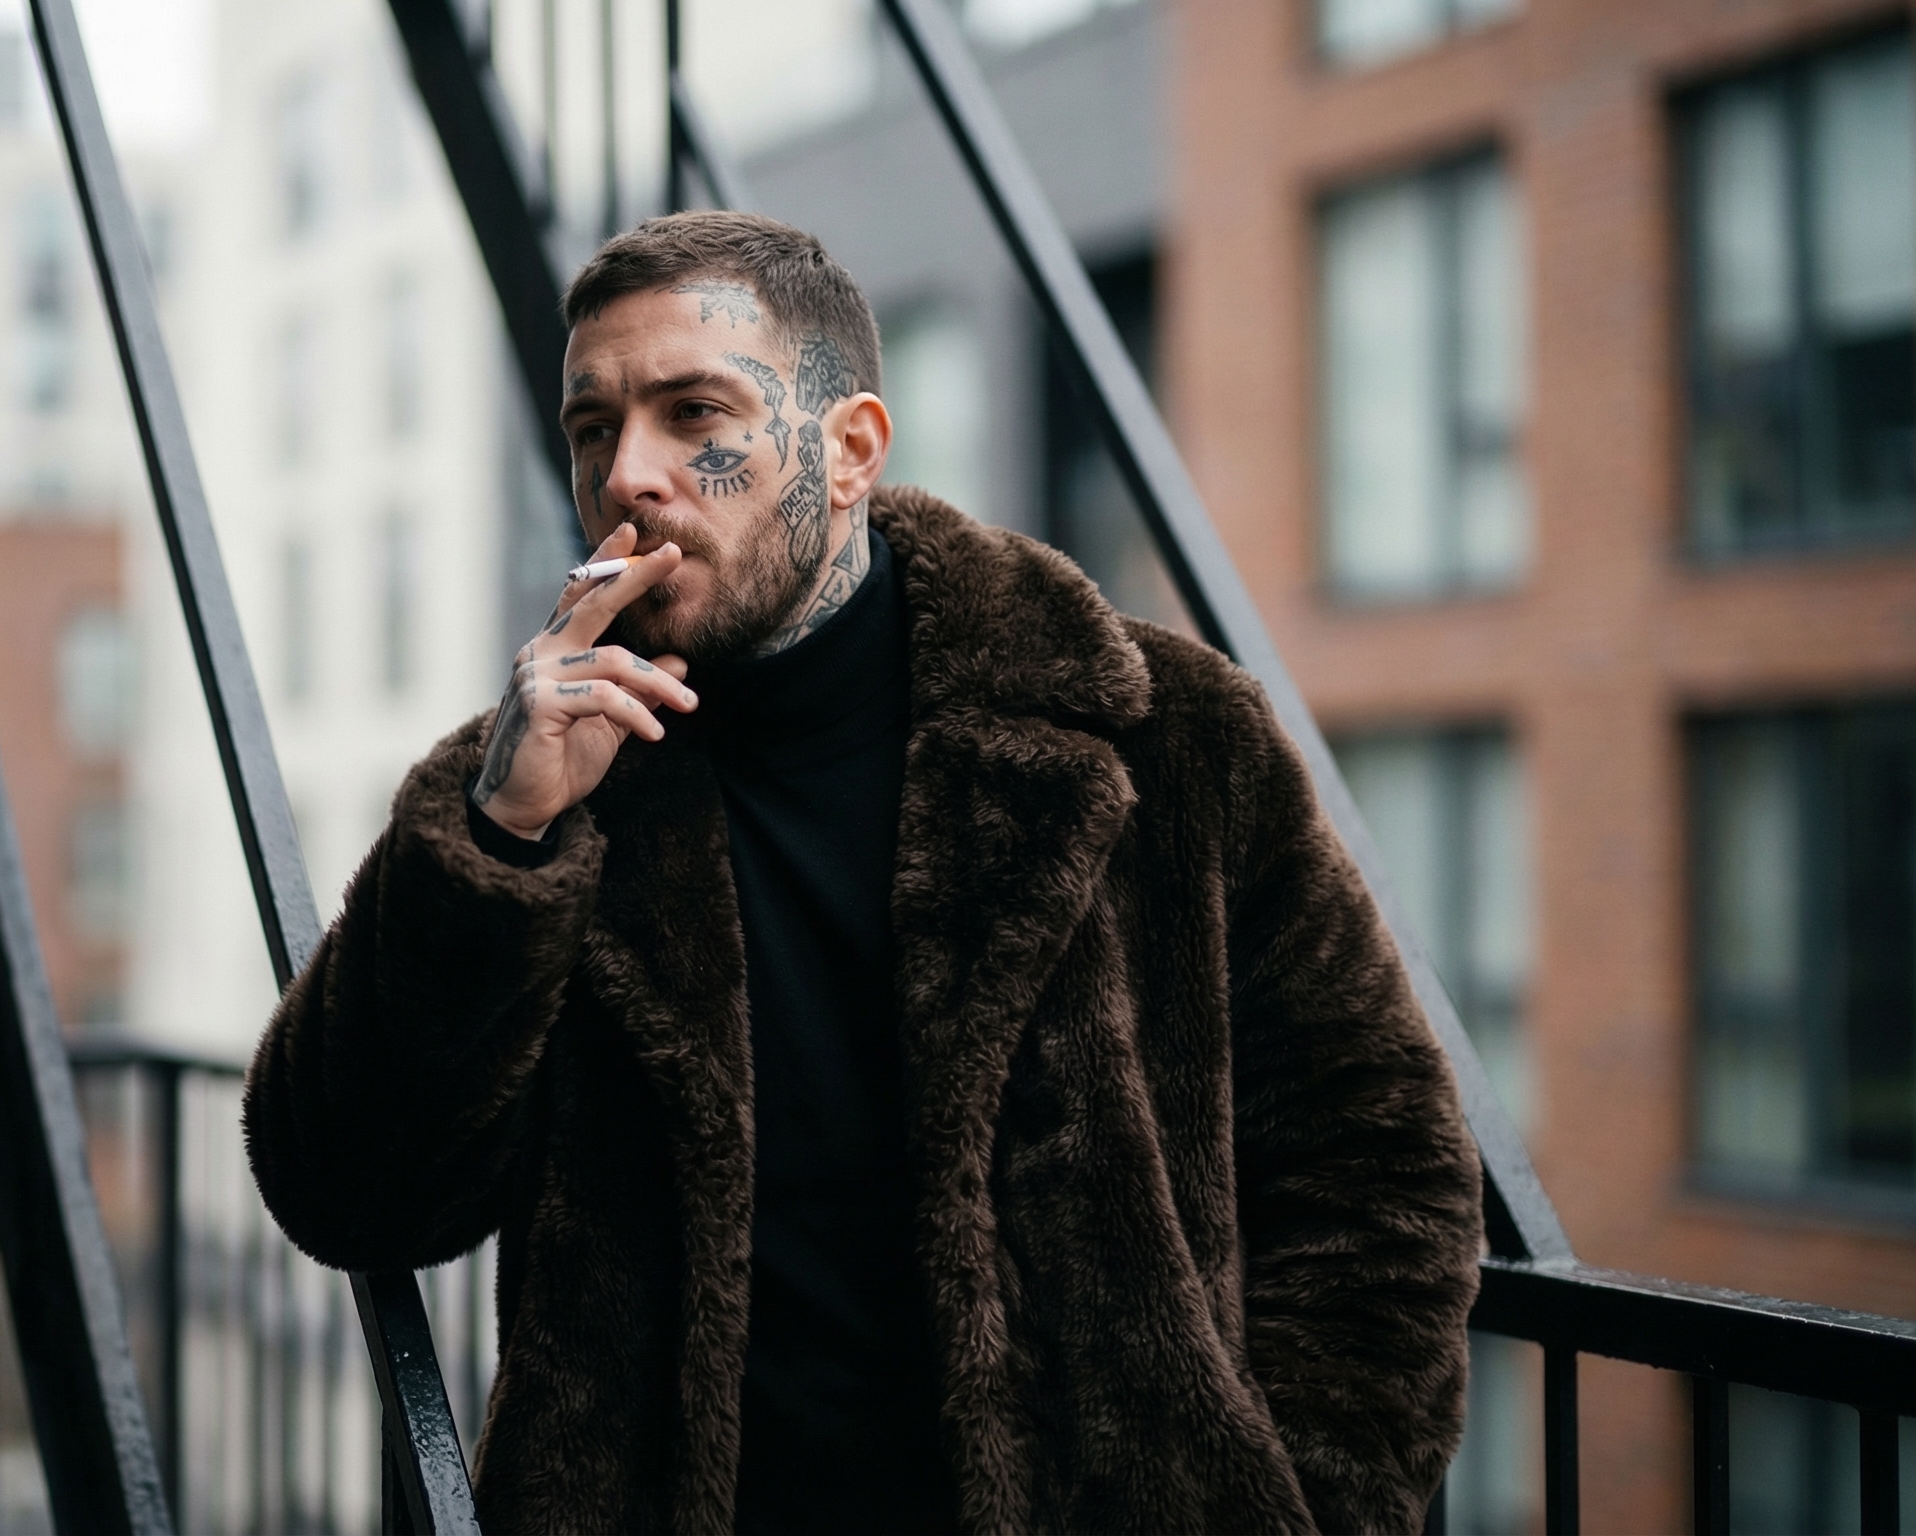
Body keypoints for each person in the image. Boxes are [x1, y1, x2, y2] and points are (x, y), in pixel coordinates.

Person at [246, 210, 1480, 1534]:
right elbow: (346, 1187)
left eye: (694, 412)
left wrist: (1306, 1508)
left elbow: (1383, 1175)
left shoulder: (1162, 740)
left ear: (848, 452)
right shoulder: (536, 785)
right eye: (593, 425)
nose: (627, 475)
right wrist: (498, 847)